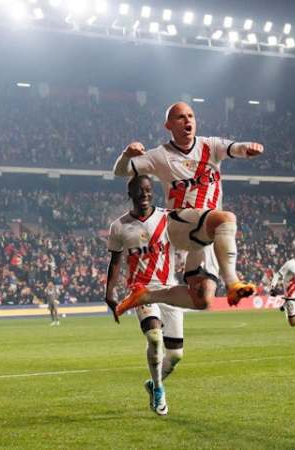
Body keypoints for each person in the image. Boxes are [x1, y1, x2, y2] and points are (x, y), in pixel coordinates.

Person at [113, 102, 264, 313]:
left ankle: (145, 295)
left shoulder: (210, 145)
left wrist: (248, 148)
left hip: (206, 231)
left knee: (201, 299)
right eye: (180, 117)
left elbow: (235, 148)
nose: (187, 121)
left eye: (191, 116)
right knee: (226, 219)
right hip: (180, 223)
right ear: (168, 125)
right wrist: (126, 154)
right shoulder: (160, 155)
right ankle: (233, 283)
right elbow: (121, 171)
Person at [105, 176, 186, 416]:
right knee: (154, 338)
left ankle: (152, 384)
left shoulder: (168, 217)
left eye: (149, 190)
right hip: (141, 291)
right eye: (140, 191)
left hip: (170, 290)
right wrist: (109, 293)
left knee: (176, 355)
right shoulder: (118, 226)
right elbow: (115, 261)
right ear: (130, 193)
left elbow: (186, 239)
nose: (145, 194)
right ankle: (159, 389)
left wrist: (184, 258)